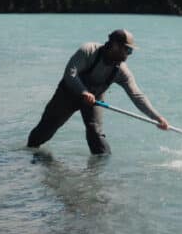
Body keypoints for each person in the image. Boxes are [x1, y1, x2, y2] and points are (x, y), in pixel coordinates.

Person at [27, 29, 169, 155]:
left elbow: (137, 96)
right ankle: (28, 155)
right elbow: (70, 73)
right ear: (114, 45)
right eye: (127, 50)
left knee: (96, 135)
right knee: (45, 130)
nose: (129, 54)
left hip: (94, 99)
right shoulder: (88, 51)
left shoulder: (122, 71)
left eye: (130, 51)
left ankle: (99, 176)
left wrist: (157, 117)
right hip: (68, 94)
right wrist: (83, 91)